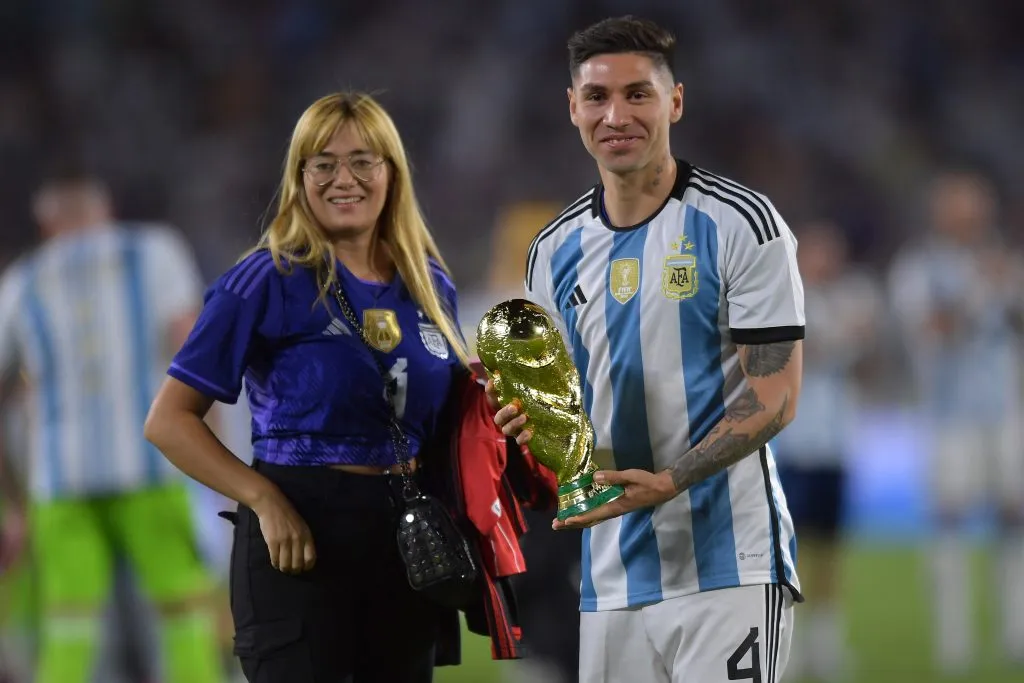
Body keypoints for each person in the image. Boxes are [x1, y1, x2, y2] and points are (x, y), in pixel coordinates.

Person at [490, 16, 805, 683]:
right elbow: (563, 408)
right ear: (573, 107)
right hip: (610, 573)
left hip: (729, 562)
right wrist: (523, 425)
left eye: (638, 94)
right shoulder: (552, 251)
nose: (617, 115)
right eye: (597, 96)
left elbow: (776, 394)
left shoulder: (740, 223)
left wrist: (671, 480)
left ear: (675, 102)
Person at [144, 91, 472, 683]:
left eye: (362, 161)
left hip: (406, 540)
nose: (343, 179)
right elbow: (168, 421)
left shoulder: (430, 284)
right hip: (297, 534)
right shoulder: (264, 277)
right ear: (299, 178)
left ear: (392, 173)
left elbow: (447, 421)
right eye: (323, 163)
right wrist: (263, 500)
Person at [0, 171, 223, 683]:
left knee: (69, 628)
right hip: (151, 466)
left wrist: (15, 501)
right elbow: (196, 360)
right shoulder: (155, 253)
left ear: (46, 224)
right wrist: (219, 463)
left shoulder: (22, 281)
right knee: (184, 612)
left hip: (60, 481)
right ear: (106, 211)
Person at [888, 168, 1024, 674]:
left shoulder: (1004, 261)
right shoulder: (918, 268)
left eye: (978, 205)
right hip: (950, 416)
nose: (973, 215)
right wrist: (980, 290)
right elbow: (931, 331)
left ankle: (1015, 632)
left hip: (1005, 408)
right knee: (950, 521)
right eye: (962, 206)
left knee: (1014, 517)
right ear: (941, 212)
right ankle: (954, 641)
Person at [773, 221, 881, 682]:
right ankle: (788, 644)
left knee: (830, 551)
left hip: (835, 444)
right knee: (791, 548)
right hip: (795, 443)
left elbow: (867, 357)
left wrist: (847, 342)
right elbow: (796, 354)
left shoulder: (852, 297)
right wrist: (842, 341)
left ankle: (826, 646)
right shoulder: (788, 301)